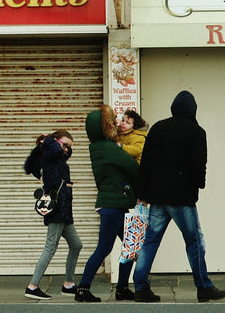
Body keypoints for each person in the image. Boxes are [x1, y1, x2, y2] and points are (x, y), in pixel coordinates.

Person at [129, 91, 225, 303]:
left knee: (150, 242)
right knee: (194, 242)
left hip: (157, 197)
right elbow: (198, 165)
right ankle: (203, 287)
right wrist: (197, 188)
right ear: (193, 109)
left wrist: (142, 193)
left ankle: (140, 287)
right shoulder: (196, 131)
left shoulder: (157, 128)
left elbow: (146, 163)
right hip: (181, 198)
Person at [73, 106, 139, 303]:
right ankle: (83, 289)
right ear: (106, 127)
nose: (116, 125)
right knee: (104, 248)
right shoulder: (109, 148)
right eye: (112, 122)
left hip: (113, 204)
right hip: (113, 205)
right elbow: (133, 168)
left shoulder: (97, 148)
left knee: (129, 245)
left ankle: (122, 289)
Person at [24, 130, 82, 300]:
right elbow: (54, 151)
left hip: (65, 211)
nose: (66, 149)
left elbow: (63, 154)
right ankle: (32, 286)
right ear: (55, 142)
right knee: (50, 247)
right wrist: (49, 140)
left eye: (68, 147)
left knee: (76, 245)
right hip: (57, 209)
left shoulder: (57, 156)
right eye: (63, 145)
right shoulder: (49, 155)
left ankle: (68, 284)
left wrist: (58, 145)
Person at [113, 109, 150, 300]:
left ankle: (132, 285)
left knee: (132, 242)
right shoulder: (120, 136)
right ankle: (123, 287)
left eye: (127, 122)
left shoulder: (139, 137)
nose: (123, 124)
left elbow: (135, 152)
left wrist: (119, 146)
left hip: (136, 193)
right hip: (125, 193)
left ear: (134, 126)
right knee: (130, 243)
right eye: (123, 121)